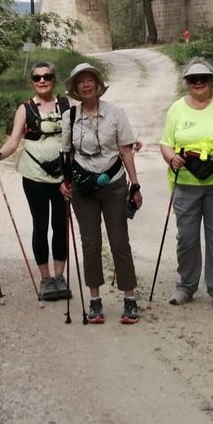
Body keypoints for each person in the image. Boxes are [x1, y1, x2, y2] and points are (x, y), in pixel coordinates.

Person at [60, 62, 143, 324]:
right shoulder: (69, 117)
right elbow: (66, 153)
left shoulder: (116, 113)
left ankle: (129, 298)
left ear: (98, 85)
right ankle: (94, 299)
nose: (85, 85)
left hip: (114, 184)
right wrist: (64, 181)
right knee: (90, 243)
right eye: (80, 82)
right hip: (83, 188)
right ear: (75, 89)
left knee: (119, 242)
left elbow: (126, 150)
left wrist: (135, 185)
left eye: (90, 80)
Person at [159, 58, 213, 310]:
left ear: (211, 81)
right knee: (186, 237)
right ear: (186, 82)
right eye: (193, 79)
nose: (198, 83)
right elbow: (165, 143)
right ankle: (186, 286)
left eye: (203, 78)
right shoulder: (176, 109)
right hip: (185, 180)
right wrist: (171, 157)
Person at [0, 60, 71, 302]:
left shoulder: (67, 106)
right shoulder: (25, 109)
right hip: (34, 175)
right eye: (37, 78)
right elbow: (14, 141)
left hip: (62, 175)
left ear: (53, 79)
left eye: (46, 76)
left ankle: (60, 277)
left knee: (60, 224)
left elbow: (81, 135)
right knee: (40, 224)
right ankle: (45, 278)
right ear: (32, 82)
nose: (42, 81)